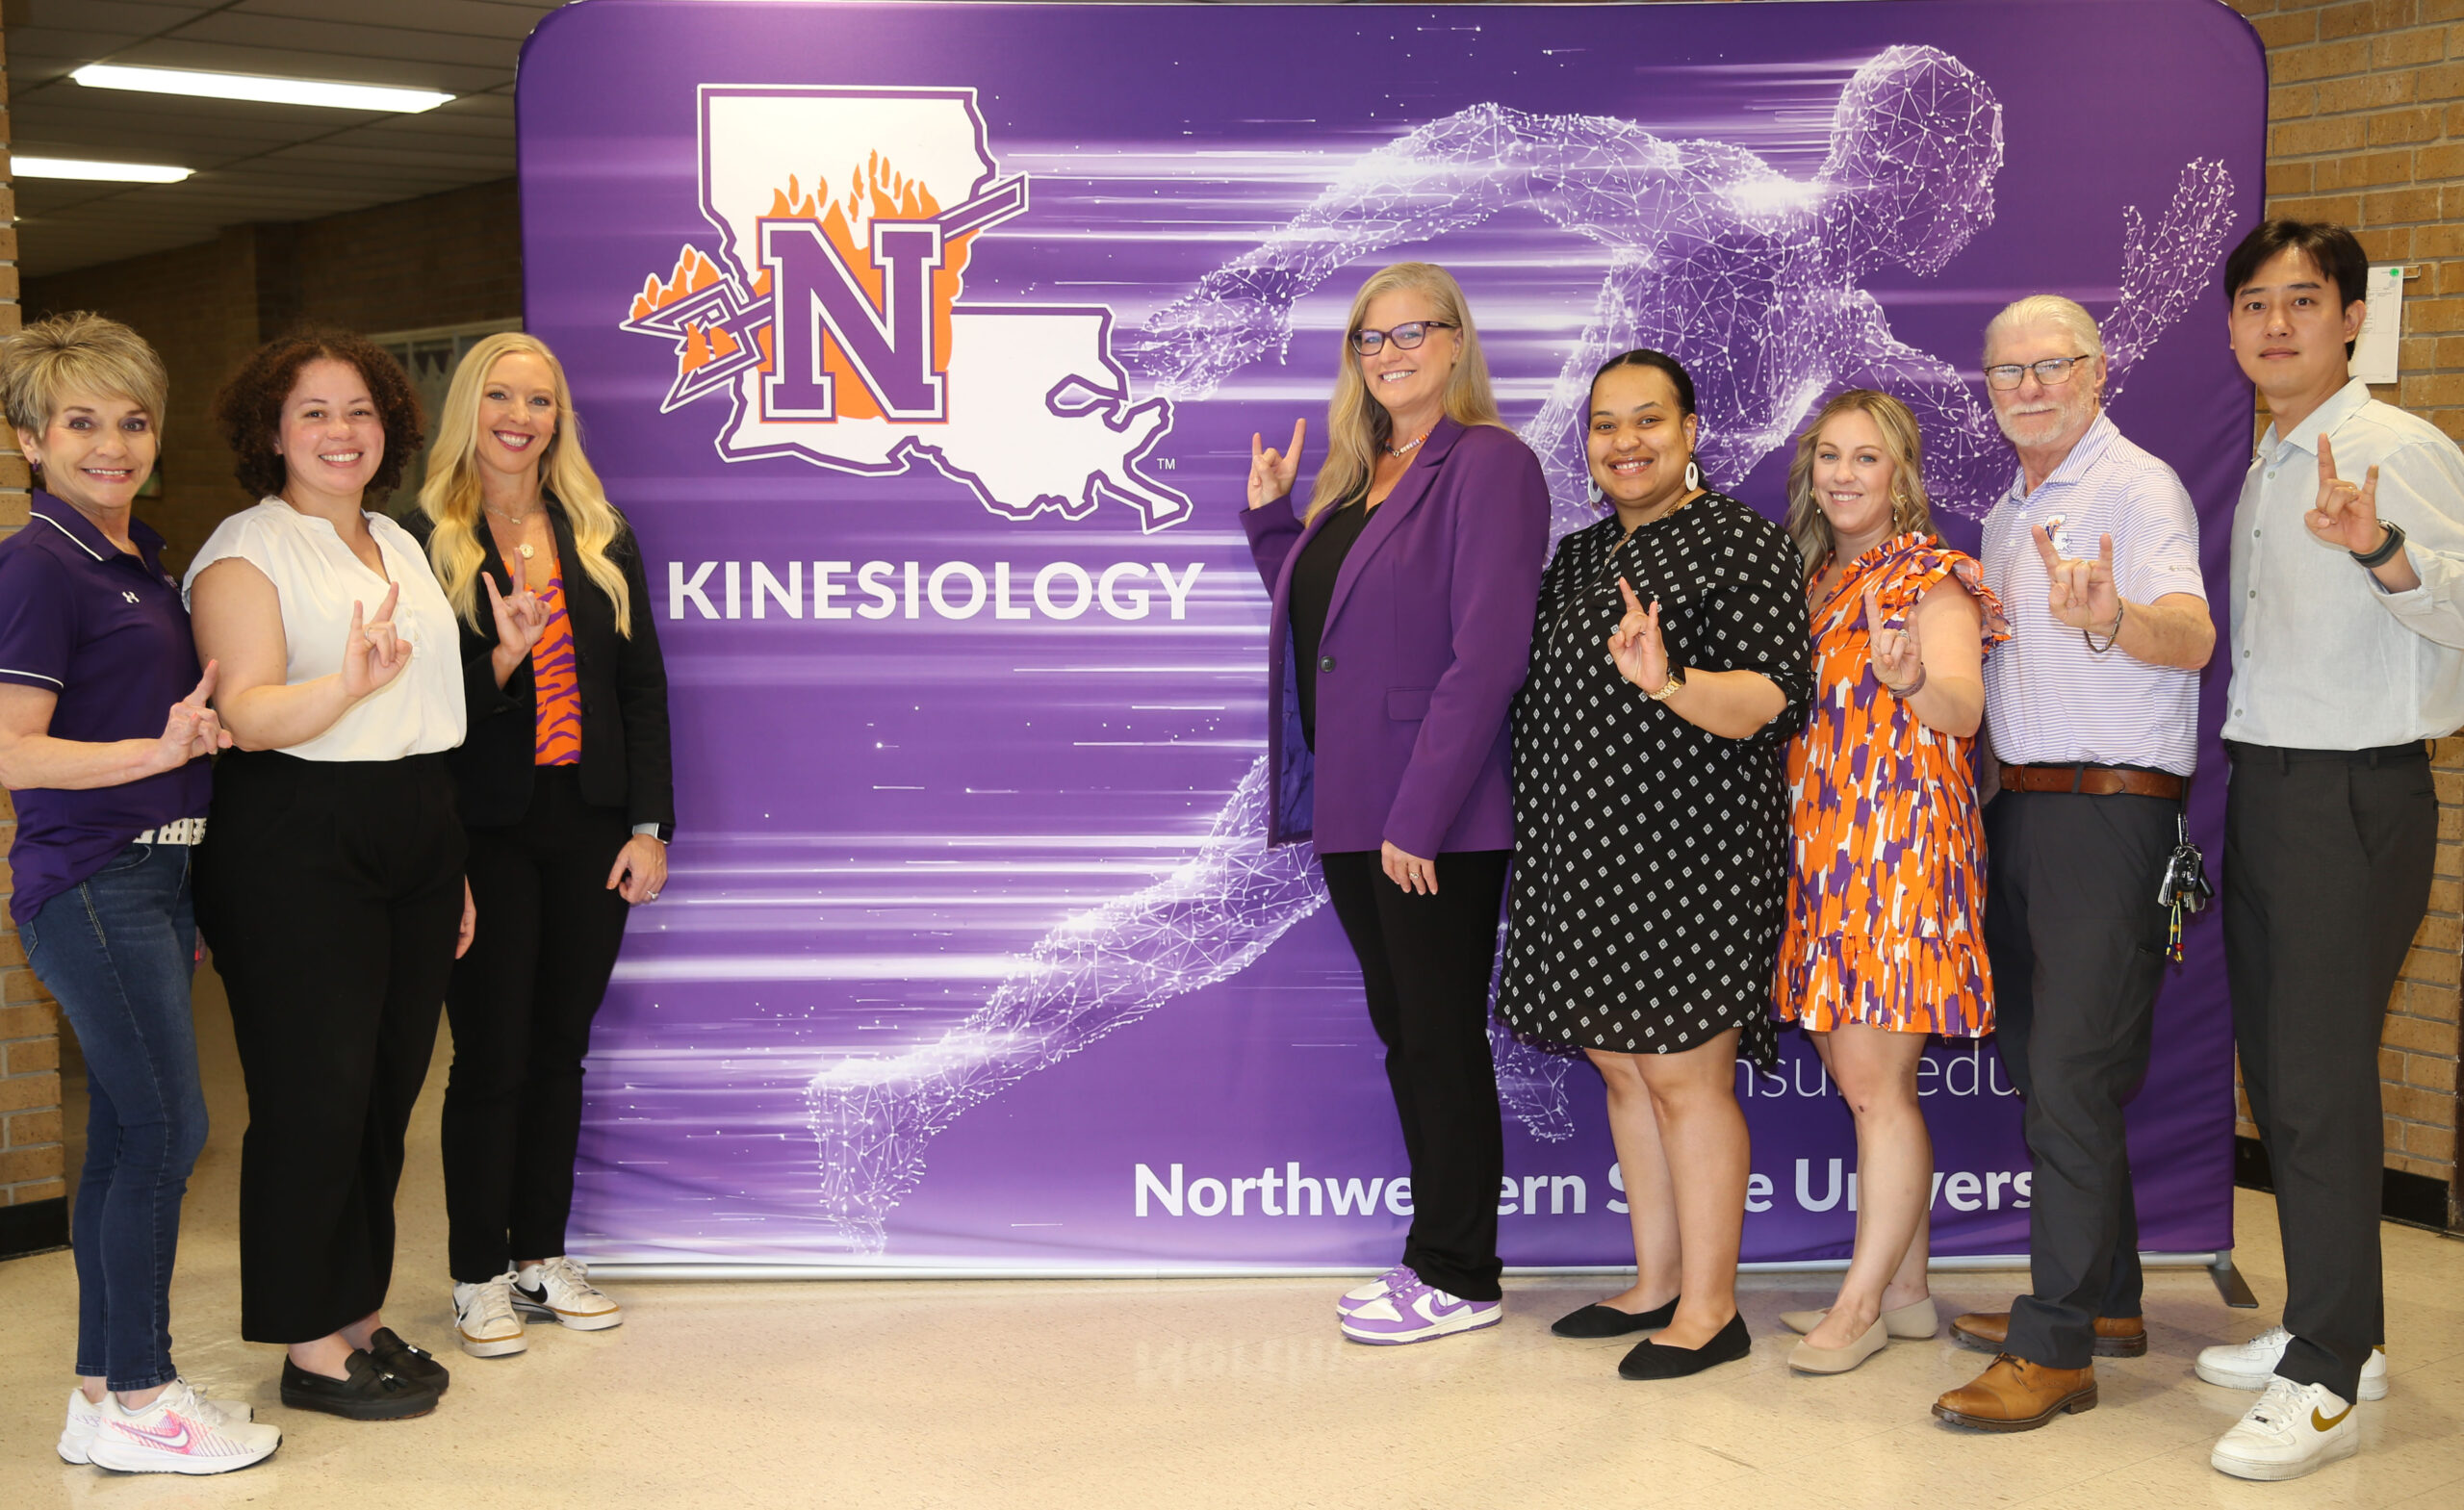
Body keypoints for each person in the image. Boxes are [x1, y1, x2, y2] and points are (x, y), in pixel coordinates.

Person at [1242, 260, 1548, 1344]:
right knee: (1408, 1035)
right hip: (1353, 807)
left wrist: (1418, 817)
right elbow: (1329, 625)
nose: (1390, 354)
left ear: (1455, 341)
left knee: (1437, 1039)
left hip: (1433, 818)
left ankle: (1459, 1273)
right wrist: (1272, 523)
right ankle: (1435, 1259)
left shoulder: (1490, 464)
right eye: (1370, 339)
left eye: (1412, 332)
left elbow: (1488, 655)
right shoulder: (1359, 475)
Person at [2195, 220, 2458, 1480]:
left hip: (2352, 795)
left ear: (2352, 318)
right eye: (2255, 302)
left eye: (2303, 301)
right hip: (2272, 785)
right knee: (2284, 1071)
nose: (2276, 324)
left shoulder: (2394, 449)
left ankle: (2327, 1375)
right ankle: (2330, 1324)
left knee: (2317, 1084)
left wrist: (2380, 548)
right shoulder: (2272, 456)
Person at [0, 314, 280, 1474]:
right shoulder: (39, 564)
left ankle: (100, 1392)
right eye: (81, 423)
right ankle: (144, 1395)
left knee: (126, 1132)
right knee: (170, 1127)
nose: (111, 445)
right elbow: (13, 748)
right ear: (30, 440)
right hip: (93, 878)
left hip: (154, 875)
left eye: (131, 421)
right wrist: (153, 756)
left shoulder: (139, 559)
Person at [1499, 349, 1810, 1380]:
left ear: (1690, 433)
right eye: (1605, 424)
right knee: (1624, 1069)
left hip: (1692, 854)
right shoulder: (1580, 555)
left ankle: (1712, 1311)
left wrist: (1670, 680)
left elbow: (1771, 699)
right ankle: (1657, 1281)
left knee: (1684, 1075)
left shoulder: (1740, 542)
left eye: (1648, 420)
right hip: (1584, 853)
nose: (1625, 442)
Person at [1934, 295, 2214, 1431]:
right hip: (2025, 814)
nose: (2031, 386)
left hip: (2110, 816)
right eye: (2009, 371)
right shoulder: (2009, 509)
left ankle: (2053, 1350)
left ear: (2098, 373)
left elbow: (2191, 637)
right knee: (2057, 1076)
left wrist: (2112, 618)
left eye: (2053, 365)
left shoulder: (2137, 489)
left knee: (2064, 1079)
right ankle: (2104, 1300)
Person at [187, 331, 473, 1421]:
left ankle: (356, 1311)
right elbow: (250, 714)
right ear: (270, 432)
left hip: (415, 822)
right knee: (315, 1095)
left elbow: (424, 713)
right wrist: (344, 688)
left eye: (358, 410)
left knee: (387, 1091)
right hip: (297, 835)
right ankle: (308, 1341)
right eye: (312, 411)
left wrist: (450, 863)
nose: (340, 431)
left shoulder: (397, 542)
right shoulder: (244, 553)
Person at [404, 333, 673, 1358]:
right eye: (502, 396)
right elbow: (422, 711)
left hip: (591, 825)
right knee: (492, 1054)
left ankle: (540, 1255)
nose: (521, 417)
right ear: (468, 407)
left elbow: (641, 688)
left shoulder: (599, 532)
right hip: (483, 831)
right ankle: (477, 1272)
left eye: (541, 400)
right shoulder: (419, 538)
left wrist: (647, 825)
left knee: (560, 1050)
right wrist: (505, 660)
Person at [1768, 390, 2005, 1375]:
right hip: (1820, 854)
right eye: (1830, 455)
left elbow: (1963, 707)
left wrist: (1910, 680)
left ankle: (1859, 1307)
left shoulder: (1930, 576)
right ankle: (1906, 1293)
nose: (1844, 474)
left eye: (1867, 457)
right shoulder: (1810, 578)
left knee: (1874, 1088)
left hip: (1897, 853)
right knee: (1868, 1081)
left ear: (1901, 472)